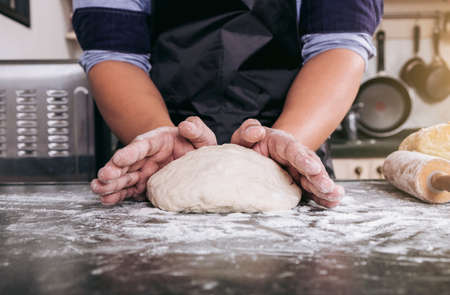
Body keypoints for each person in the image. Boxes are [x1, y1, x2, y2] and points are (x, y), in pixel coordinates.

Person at [72, 0, 383, 208]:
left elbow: (338, 46)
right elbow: (113, 54)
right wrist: (157, 134)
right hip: (160, 152)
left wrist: (287, 149)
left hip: (292, 152)